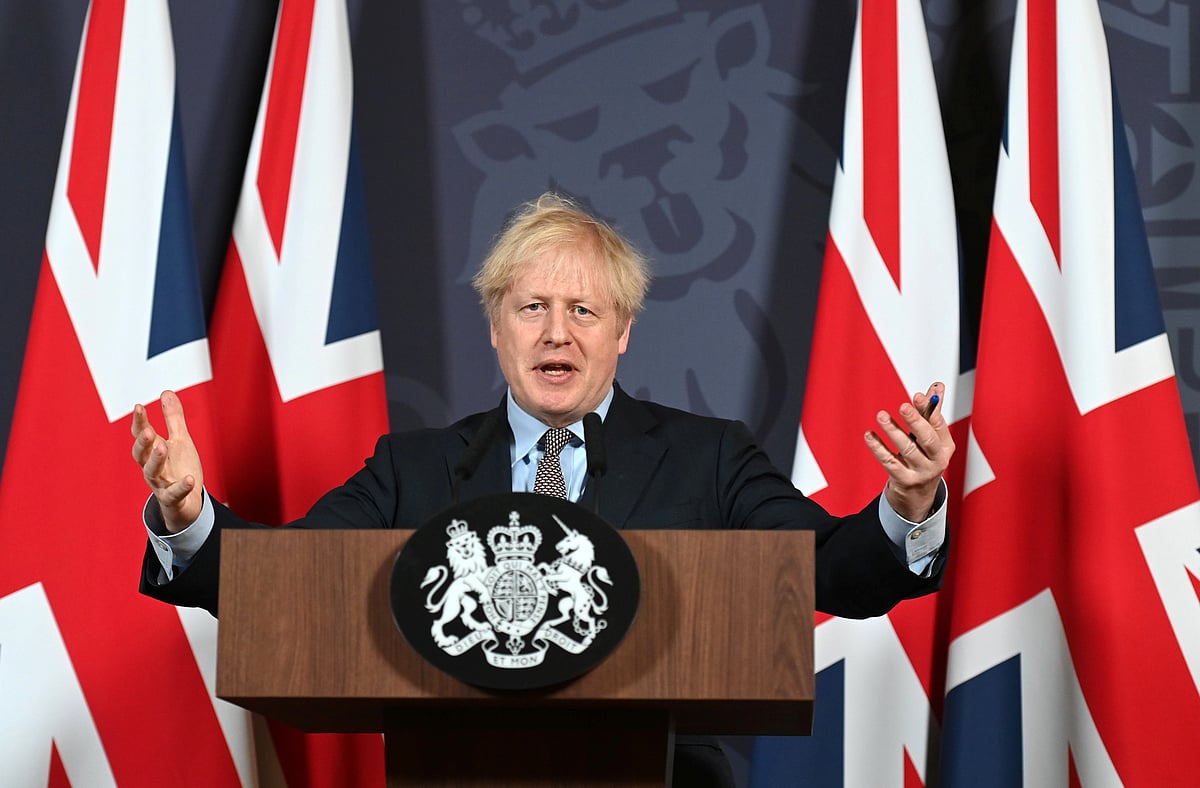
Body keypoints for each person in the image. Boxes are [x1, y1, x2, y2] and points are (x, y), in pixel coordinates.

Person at [132, 192, 953, 786]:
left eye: (584, 311)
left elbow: (830, 568)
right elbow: (288, 582)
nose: (557, 332)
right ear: (497, 329)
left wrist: (907, 506)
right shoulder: (415, 467)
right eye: (531, 307)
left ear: (623, 331)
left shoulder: (708, 458)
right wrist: (190, 515)